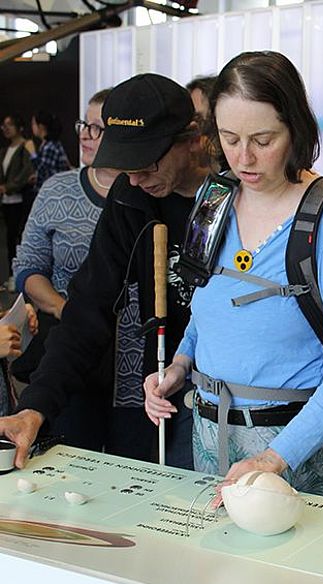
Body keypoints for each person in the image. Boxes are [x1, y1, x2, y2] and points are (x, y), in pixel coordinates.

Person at [143, 51, 323, 500]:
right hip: (210, 434)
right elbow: (208, 303)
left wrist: (274, 458)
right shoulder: (215, 200)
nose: (244, 157)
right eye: (229, 139)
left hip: (296, 449)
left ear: (296, 131)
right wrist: (178, 366)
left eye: (263, 139)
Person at [0, 73, 210, 470]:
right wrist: (35, 407)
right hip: (164, 386)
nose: (134, 179)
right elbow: (88, 307)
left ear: (192, 139)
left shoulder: (231, 193)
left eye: (146, 165)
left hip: (235, 393)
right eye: (123, 166)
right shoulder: (130, 196)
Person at [11, 89, 153, 462]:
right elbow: (28, 266)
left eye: (98, 128)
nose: (87, 136)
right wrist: (65, 309)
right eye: (84, 126)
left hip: (139, 371)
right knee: (70, 465)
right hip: (72, 355)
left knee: (135, 470)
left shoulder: (147, 192)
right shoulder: (57, 190)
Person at [0, 115, 34, 284]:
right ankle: (11, 275)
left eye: (10, 125)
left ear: (19, 127)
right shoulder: (5, 150)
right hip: (6, 200)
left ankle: (19, 276)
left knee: (19, 236)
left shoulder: (25, 146)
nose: (6, 128)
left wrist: (8, 187)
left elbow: (26, 173)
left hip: (20, 199)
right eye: (4, 125)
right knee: (9, 237)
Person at [26, 111, 70, 192]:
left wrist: (32, 153)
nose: (32, 127)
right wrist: (37, 177)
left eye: (33, 124)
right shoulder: (47, 144)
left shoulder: (50, 146)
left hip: (53, 192)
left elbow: (45, 171)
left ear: (41, 126)